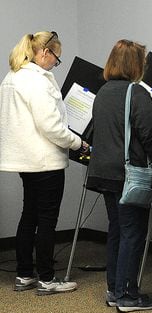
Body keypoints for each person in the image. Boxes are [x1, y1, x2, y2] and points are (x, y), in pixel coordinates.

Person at [0, 31, 89, 295]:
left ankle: (24, 274)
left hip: (26, 161)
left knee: (29, 216)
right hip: (45, 161)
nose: (55, 64)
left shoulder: (12, 77)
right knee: (47, 220)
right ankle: (48, 279)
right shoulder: (37, 81)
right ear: (44, 53)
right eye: (56, 59)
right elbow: (51, 126)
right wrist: (78, 143)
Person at [88, 39, 152, 313]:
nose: (145, 66)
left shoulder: (104, 92)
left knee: (117, 230)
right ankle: (128, 295)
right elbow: (150, 136)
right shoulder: (137, 93)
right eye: (143, 61)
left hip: (104, 173)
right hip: (129, 175)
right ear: (135, 64)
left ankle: (114, 289)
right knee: (133, 233)